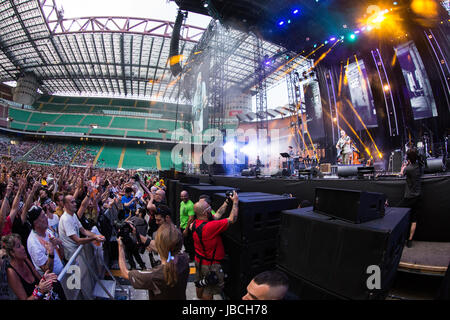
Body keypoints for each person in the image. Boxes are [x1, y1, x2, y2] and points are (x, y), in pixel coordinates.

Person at [118, 222, 189, 300]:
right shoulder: (184, 259)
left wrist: (120, 247)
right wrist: (136, 234)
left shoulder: (153, 275)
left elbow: (125, 273)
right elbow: (164, 248)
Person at [191, 190, 239, 300]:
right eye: (209, 208)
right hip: (210, 266)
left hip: (199, 261)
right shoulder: (210, 227)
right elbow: (232, 219)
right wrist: (235, 202)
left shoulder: (195, 224)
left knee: (199, 283)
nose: (210, 209)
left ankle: (199, 297)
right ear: (205, 213)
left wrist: (227, 201)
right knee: (209, 290)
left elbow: (217, 214)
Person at [2, 233, 65, 300]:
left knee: (55, 282)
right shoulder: (11, 272)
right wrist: (39, 291)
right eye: (18, 246)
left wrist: (45, 278)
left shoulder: (25, 260)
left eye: (21, 244)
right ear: (12, 253)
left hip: (42, 296)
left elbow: (40, 279)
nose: (23, 248)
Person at [58, 194, 105, 261]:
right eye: (72, 202)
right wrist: (94, 238)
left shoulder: (73, 215)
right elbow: (77, 240)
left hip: (77, 252)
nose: (75, 204)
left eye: (74, 201)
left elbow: (83, 231)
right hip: (72, 256)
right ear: (65, 205)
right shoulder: (66, 219)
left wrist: (97, 235)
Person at [26, 206, 64, 276]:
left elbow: (60, 254)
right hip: (53, 282)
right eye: (43, 216)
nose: (46, 217)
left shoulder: (47, 231)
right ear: (36, 223)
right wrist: (51, 252)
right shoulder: (33, 243)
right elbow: (47, 270)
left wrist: (59, 243)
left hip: (62, 272)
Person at [398, 148, 422, 248]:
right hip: (417, 196)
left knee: (397, 214)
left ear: (408, 158)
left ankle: (399, 238)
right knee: (414, 219)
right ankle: (410, 240)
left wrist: (404, 166)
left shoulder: (408, 169)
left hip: (408, 197)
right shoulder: (419, 167)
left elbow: (401, 173)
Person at [179, 190, 195, 261]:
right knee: (185, 241)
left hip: (187, 227)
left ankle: (192, 257)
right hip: (182, 226)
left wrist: (186, 229)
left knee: (189, 242)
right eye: (182, 196)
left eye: (184, 196)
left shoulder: (190, 205)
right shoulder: (182, 203)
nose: (183, 198)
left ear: (188, 196)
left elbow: (191, 218)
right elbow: (182, 215)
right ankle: (187, 251)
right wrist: (180, 224)